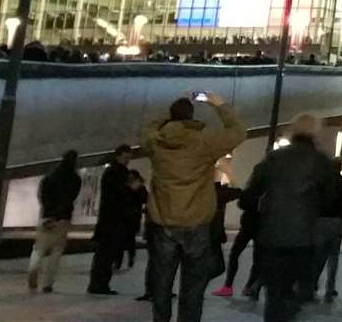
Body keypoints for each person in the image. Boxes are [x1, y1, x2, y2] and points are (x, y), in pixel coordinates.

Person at [138, 91, 246, 322]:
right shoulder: (205, 142)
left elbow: (147, 128)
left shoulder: (156, 142)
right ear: (191, 116)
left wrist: (166, 112)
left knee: (161, 283)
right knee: (193, 287)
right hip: (197, 222)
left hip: (163, 221)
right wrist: (219, 104)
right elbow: (238, 132)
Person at [241, 114, 342, 322]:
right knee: (294, 291)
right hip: (304, 238)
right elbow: (330, 200)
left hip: (272, 235)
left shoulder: (273, 158)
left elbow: (249, 196)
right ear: (316, 133)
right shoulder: (321, 162)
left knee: (274, 294)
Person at [29, 149, 81, 293]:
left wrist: (48, 212)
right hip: (63, 218)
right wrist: (60, 213)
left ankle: (33, 268)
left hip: (46, 217)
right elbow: (72, 197)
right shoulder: (75, 178)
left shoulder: (49, 177)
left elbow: (42, 195)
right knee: (56, 251)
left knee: (39, 248)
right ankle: (48, 283)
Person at [88, 145, 136, 294]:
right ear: (118, 156)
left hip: (110, 219)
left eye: (129, 158)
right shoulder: (116, 173)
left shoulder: (115, 172)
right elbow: (122, 193)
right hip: (113, 220)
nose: (127, 161)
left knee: (105, 254)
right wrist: (131, 188)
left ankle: (99, 283)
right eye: (125, 158)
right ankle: (99, 284)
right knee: (106, 255)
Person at [214, 179, 260, 298]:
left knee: (235, 254)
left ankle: (228, 286)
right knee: (258, 258)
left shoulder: (251, 189)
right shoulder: (269, 191)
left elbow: (242, 204)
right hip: (262, 227)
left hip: (247, 226)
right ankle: (250, 286)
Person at [311, 174, 342, 301]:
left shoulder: (320, 184)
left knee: (318, 256)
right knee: (333, 256)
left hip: (321, 221)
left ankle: (313, 283)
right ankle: (330, 288)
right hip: (337, 222)